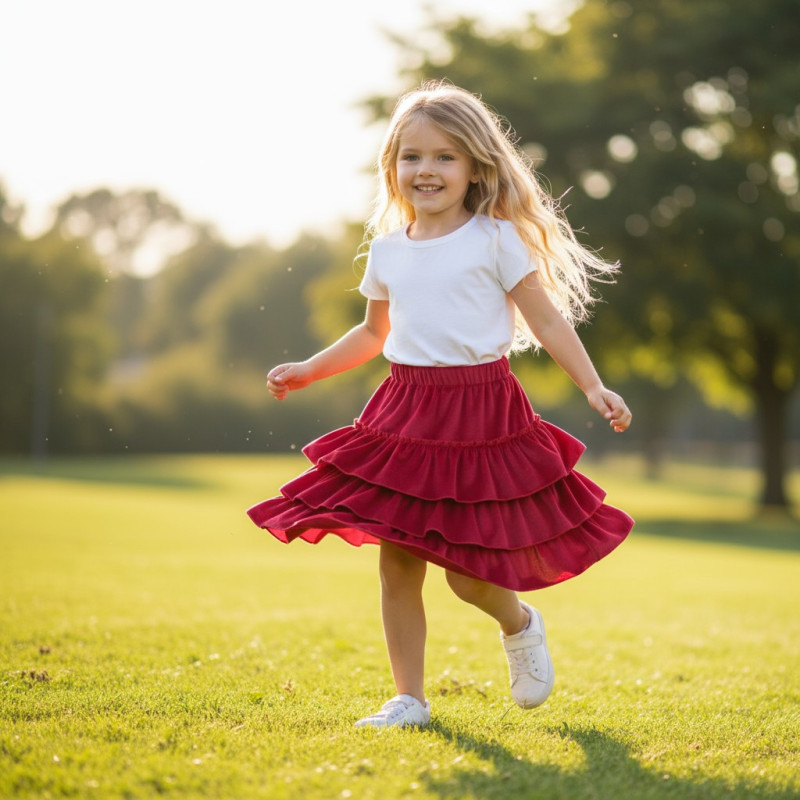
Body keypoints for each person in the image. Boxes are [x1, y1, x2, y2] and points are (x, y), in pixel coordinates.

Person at [247, 81, 634, 729]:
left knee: (467, 573)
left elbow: (546, 319)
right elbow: (373, 333)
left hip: (481, 414)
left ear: (476, 167)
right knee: (397, 562)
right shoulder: (389, 249)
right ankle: (410, 699)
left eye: (445, 157)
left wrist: (592, 385)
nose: (426, 170)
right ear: (392, 167)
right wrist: (311, 369)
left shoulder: (495, 239)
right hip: (404, 410)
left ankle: (520, 623)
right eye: (412, 156)